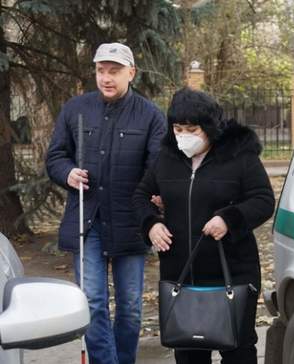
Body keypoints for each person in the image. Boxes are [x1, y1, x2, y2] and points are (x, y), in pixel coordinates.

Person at [132, 87, 275, 364]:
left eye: (192, 129)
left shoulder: (240, 156)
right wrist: (151, 224)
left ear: (210, 127)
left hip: (231, 272)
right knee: (188, 350)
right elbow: (140, 196)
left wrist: (229, 219)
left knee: (237, 348)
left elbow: (263, 200)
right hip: (182, 273)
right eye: (177, 127)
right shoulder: (167, 158)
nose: (183, 135)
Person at [46, 42, 166, 364]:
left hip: (131, 221)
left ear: (131, 72)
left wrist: (155, 197)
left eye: (114, 71)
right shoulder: (76, 109)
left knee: (130, 306)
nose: (106, 78)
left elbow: (157, 167)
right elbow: (55, 156)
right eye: (101, 71)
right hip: (89, 219)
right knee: (93, 301)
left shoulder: (151, 115)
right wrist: (68, 173)